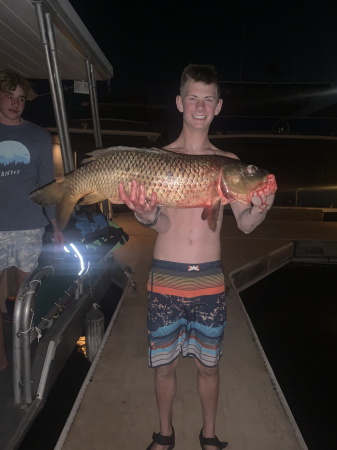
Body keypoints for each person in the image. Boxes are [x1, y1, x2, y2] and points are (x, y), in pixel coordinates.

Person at [118, 64, 277, 450]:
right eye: (193, 97)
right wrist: (144, 213)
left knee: (209, 365)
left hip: (208, 280)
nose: (200, 105)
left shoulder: (228, 162)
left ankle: (209, 435)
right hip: (166, 277)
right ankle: (165, 434)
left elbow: (246, 224)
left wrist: (261, 206)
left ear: (218, 106)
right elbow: (161, 224)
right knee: (165, 366)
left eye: (208, 99)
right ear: (180, 103)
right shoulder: (158, 160)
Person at [0, 69, 64, 371]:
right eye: (9, 96)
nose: (15, 103)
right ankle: (0, 355)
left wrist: (56, 224)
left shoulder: (39, 136)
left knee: (26, 296)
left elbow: (47, 185)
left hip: (29, 226)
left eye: (20, 98)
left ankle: (23, 349)